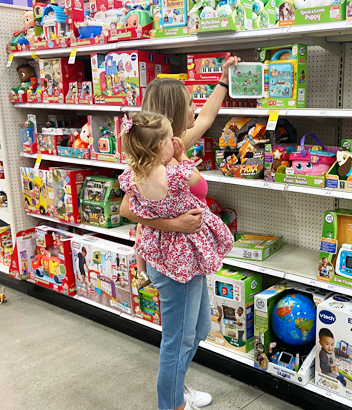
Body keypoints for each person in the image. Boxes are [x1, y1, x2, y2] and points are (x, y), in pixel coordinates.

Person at [120, 57, 240, 410]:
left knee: (198, 329)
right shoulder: (152, 159)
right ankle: (172, 403)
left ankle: (177, 387)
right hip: (173, 257)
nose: (195, 109)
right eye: (189, 103)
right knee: (179, 337)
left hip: (187, 254)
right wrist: (175, 225)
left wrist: (222, 81)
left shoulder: (172, 146)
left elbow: (206, 118)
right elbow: (129, 209)